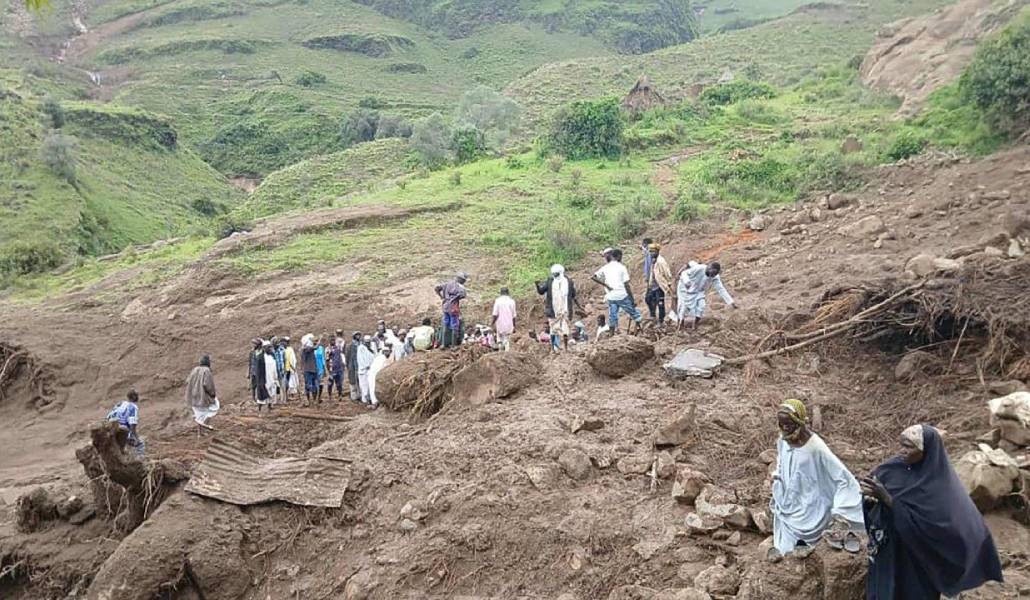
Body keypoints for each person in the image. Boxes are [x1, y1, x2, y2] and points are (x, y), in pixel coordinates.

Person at [861, 424, 1003, 599]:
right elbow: (871, 491)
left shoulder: (940, 485)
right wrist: (870, 501)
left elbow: (939, 527)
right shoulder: (892, 468)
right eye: (902, 445)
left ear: (926, 451)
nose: (902, 451)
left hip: (918, 559)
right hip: (890, 550)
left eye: (909, 447)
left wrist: (888, 500)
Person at [769, 399, 864, 561]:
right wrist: (777, 476)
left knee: (805, 531)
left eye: (788, 424)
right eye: (781, 424)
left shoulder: (815, 447)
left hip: (811, 504)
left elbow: (842, 477)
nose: (784, 428)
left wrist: (841, 510)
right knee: (785, 547)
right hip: (790, 499)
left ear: (799, 421)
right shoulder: (784, 439)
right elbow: (781, 459)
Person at [591, 248, 642, 334]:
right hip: (621, 295)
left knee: (612, 316)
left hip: (611, 296)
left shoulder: (605, 267)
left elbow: (593, 277)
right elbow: (626, 285)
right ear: (618, 256)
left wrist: (606, 285)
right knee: (634, 314)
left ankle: (611, 334)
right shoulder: (621, 267)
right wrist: (631, 299)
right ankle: (639, 329)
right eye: (621, 257)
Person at [676, 260, 737, 331]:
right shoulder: (699, 268)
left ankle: (695, 324)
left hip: (699, 292)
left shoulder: (715, 277)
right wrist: (687, 282)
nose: (712, 276)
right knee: (683, 307)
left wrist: (731, 302)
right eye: (712, 273)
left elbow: (721, 289)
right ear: (709, 267)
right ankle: (680, 325)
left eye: (714, 274)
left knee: (701, 306)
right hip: (685, 288)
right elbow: (684, 273)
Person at [536, 264, 584, 351]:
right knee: (553, 329)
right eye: (553, 274)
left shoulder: (569, 282)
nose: (555, 275)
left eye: (556, 274)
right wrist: (537, 285)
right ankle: (553, 349)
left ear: (561, 272)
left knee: (565, 329)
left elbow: (573, 295)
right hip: (553, 310)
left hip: (565, 309)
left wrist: (579, 306)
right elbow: (541, 291)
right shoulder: (550, 281)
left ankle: (565, 348)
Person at [185, 355, 219, 433]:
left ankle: (200, 432)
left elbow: (188, 381)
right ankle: (205, 426)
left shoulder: (194, 370)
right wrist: (212, 394)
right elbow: (208, 385)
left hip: (193, 397)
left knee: (199, 414)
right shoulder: (206, 371)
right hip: (202, 397)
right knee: (214, 407)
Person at [106, 389, 145, 456]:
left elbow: (109, 416)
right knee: (140, 444)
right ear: (134, 397)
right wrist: (137, 439)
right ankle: (139, 459)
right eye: (137, 395)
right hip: (121, 431)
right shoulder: (133, 407)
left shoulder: (120, 403)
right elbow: (132, 426)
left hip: (110, 429)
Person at [435, 272, 468, 348]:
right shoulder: (460, 287)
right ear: (461, 279)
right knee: (454, 326)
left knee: (445, 324)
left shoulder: (447, 284)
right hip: (453, 308)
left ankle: (443, 344)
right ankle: (453, 345)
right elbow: (463, 295)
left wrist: (441, 297)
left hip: (445, 307)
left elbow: (436, 288)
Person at [645, 244, 674, 327]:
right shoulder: (653, 260)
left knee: (660, 303)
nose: (651, 253)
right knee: (648, 299)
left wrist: (668, 283)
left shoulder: (661, 261)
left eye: (653, 252)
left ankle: (661, 321)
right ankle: (653, 316)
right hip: (652, 285)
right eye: (650, 252)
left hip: (659, 286)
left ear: (657, 251)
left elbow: (667, 273)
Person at [256, 340, 278, 411]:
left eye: (270, 347)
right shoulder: (260, 358)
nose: (270, 349)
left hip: (272, 378)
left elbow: (274, 368)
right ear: (264, 348)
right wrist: (260, 381)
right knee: (262, 394)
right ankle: (260, 409)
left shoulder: (272, 356)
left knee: (271, 392)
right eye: (268, 347)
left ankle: (269, 406)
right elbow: (258, 371)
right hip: (264, 379)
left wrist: (275, 378)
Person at [356, 335, 376, 405]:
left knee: (370, 385)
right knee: (364, 385)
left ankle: (370, 399)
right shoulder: (361, 348)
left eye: (369, 342)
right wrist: (366, 366)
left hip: (371, 370)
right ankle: (365, 400)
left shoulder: (372, 347)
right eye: (366, 342)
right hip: (364, 370)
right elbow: (360, 359)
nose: (368, 343)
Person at [300, 334, 318, 407]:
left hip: (311, 369)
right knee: (309, 386)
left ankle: (312, 400)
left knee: (312, 386)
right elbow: (314, 347)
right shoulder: (306, 349)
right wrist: (318, 342)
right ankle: (311, 401)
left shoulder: (306, 349)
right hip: (308, 370)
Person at [346, 332, 362, 401]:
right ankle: (354, 396)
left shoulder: (361, 344)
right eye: (357, 335)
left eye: (359, 335)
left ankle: (360, 395)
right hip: (352, 366)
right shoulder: (349, 346)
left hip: (360, 365)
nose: (358, 336)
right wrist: (348, 365)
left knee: (360, 381)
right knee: (352, 381)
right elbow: (347, 356)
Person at [272, 337, 286, 404]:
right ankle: (274, 401)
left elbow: (284, 359)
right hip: (274, 371)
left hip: (281, 370)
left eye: (277, 342)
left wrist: (285, 368)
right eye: (275, 343)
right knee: (274, 386)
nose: (277, 344)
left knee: (282, 385)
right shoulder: (271, 351)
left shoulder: (282, 350)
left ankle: (283, 400)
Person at [314, 336, 327, 403]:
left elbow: (323, 358)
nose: (316, 342)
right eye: (315, 341)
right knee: (315, 383)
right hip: (314, 368)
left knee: (320, 383)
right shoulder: (312, 349)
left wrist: (324, 368)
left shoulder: (321, 348)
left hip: (320, 367)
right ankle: (315, 397)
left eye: (317, 341)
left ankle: (319, 397)